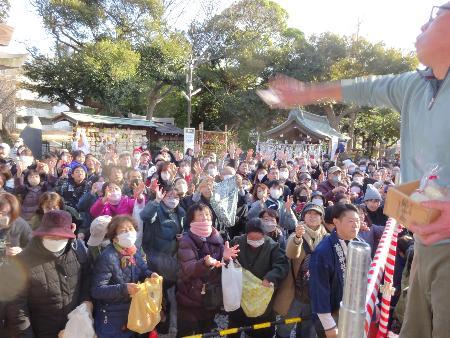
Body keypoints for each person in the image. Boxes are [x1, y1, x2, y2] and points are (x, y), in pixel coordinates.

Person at [4, 210, 91, 338]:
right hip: (41, 331)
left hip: (73, 328)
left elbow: (86, 280)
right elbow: (17, 310)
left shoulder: (78, 251)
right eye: (50, 236)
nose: (56, 239)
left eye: (61, 236)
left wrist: (86, 303)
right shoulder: (22, 262)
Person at [176, 203, 238, 337]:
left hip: (211, 295)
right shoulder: (186, 241)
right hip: (190, 296)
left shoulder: (216, 236)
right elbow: (188, 269)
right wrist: (204, 263)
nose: (205, 217)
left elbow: (221, 265)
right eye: (200, 214)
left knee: (207, 327)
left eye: (207, 214)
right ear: (191, 219)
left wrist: (226, 258)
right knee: (187, 330)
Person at [91, 215, 155, 338]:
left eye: (131, 229)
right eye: (124, 231)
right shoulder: (107, 257)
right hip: (112, 314)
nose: (129, 233)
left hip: (133, 309)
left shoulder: (134, 251)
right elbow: (97, 290)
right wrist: (124, 289)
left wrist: (150, 274)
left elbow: (142, 270)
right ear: (114, 238)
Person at [227, 218, 289, 338]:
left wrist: (271, 277)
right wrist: (227, 258)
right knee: (235, 324)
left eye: (258, 239)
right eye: (251, 239)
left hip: (262, 293)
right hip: (241, 293)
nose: (255, 241)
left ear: (264, 235)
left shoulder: (272, 246)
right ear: (245, 235)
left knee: (262, 328)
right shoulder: (237, 241)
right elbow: (227, 260)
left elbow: (282, 265)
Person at [309, 204, 363, 337]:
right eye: (350, 221)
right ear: (336, 222)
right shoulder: (323, 251)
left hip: (353, 312)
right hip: (332, 316)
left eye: (358, 221)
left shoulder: (361, 244)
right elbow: (319, 291)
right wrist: (329, 325)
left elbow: (364, 277)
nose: (355, 225)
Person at [275, 203, 328, 338]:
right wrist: (298, 238)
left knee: (308, 330)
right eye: (309, 213)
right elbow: (291, 254)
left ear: (322, 218)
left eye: (316, 214)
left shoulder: (327, 238)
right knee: (284, 328)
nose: (312, 216)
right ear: (303, 216)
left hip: (315, 293)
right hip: (295, 290)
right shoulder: (297, 232)